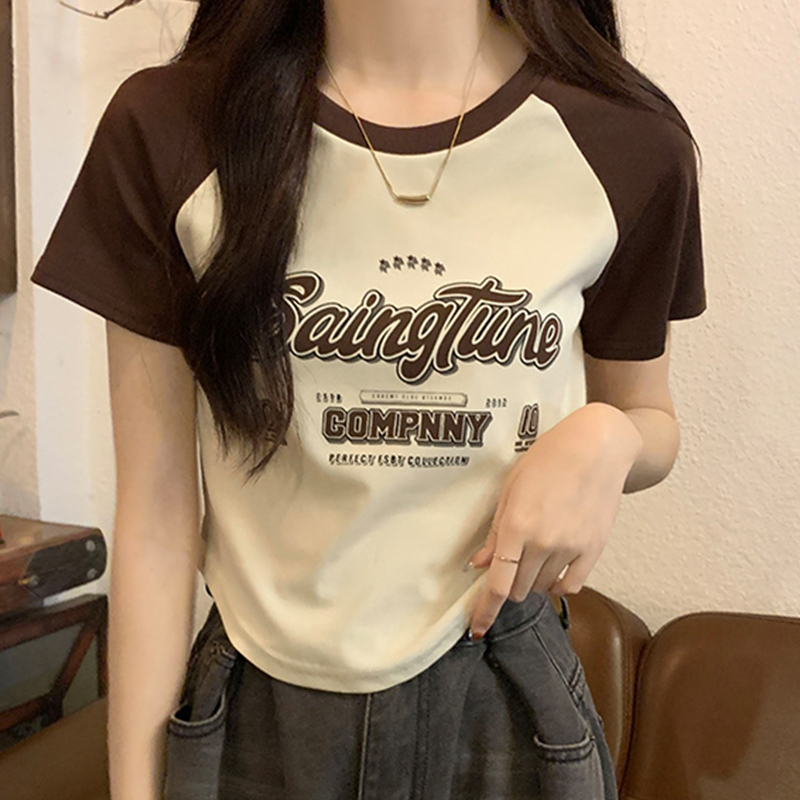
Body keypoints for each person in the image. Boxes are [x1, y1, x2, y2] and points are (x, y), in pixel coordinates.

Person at [31, 0, 706, 798]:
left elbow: (649, 417)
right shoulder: (171, 127)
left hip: (502, 697)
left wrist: (607, 437)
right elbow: (155, 514)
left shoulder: (624, 142)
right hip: (256, 702)